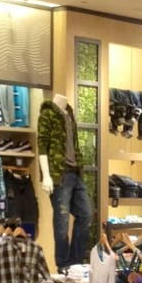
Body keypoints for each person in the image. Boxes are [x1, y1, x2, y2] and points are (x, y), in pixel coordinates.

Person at [37, 92, 92, 273]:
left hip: (76, 172)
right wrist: (46, 175)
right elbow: (42, 144)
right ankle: (63, 264)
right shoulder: (48, 113)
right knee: (61, 221)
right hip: (59, 174)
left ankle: (75, 262)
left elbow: (73, 144)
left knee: (85, 214)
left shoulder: (69, 113)